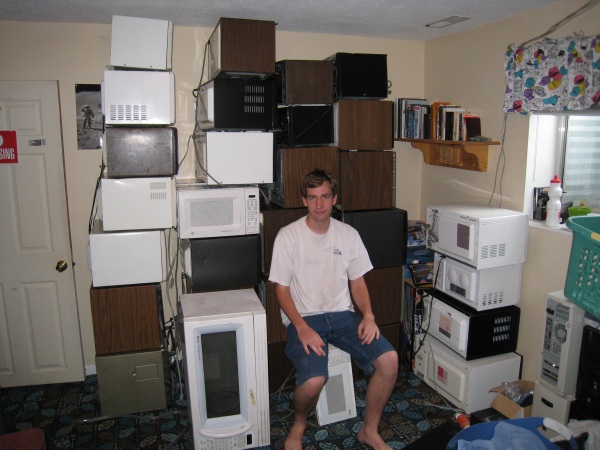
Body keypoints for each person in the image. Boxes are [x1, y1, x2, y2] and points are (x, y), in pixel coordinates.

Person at [269, 168, 398, 450]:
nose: (319, 205)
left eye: (325, 197)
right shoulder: (288, 236)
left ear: (334, 198)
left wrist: (368, 316)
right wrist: (301, 328)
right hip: (305, 319)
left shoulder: (348, 235)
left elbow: (358, 282)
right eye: (313, 198)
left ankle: (369, 431)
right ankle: (299, 423)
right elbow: (281, 289)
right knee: (314, 381)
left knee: (389, 360)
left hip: (342, 315)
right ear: (304, 200)